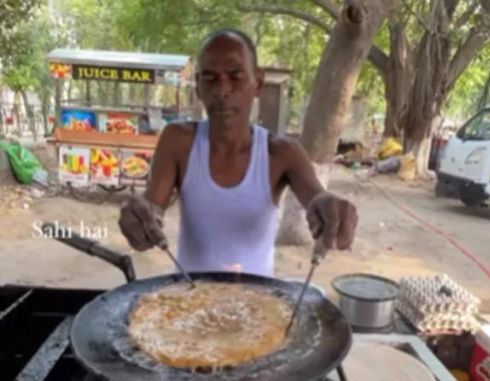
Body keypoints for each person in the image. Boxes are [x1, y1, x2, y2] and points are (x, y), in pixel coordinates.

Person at [118, 28, 357, 277]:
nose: (222, 90)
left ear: (258, 84)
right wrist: (140, 221)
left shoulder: (281, 153)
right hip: (187, 302)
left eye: (235, 76)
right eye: (210, 78)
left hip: (261, 304)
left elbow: (317, 198)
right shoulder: (178, 142)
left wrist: (329, 209)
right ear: (198, 87)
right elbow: (151, 210)